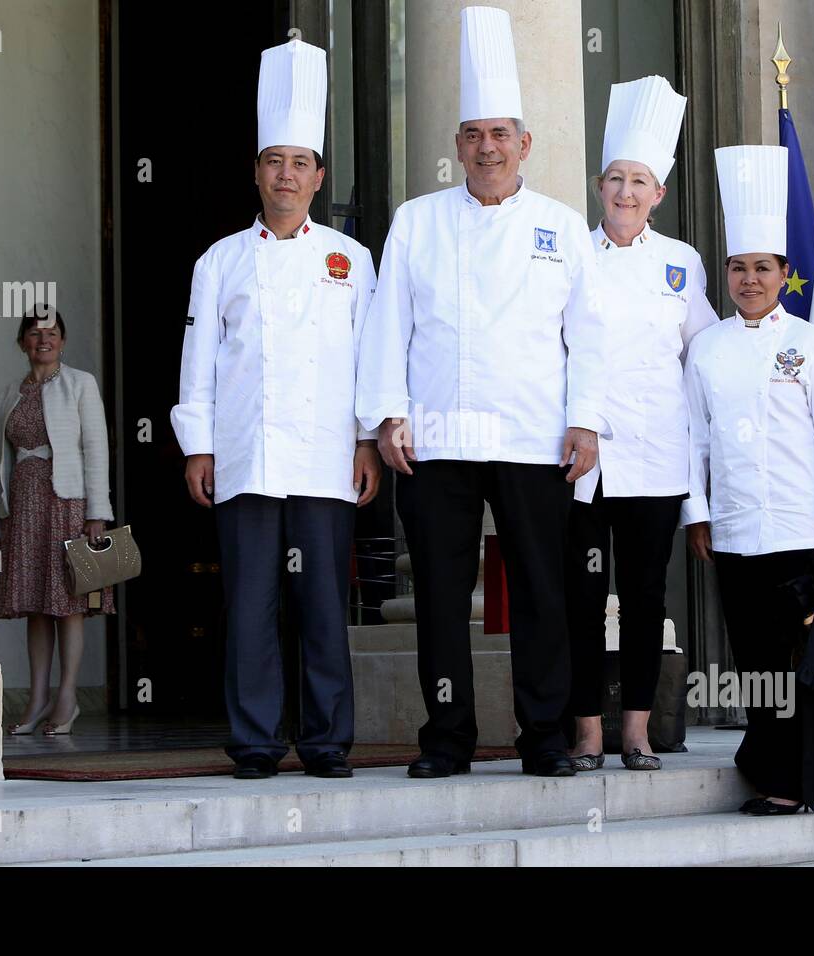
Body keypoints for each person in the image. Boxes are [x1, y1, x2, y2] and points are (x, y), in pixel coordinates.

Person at [356, 6, 608, 778]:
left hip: (534, 438)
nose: (487, 148)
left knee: (541, 594)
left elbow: (587, 337)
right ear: (456, 145)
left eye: (500, 134)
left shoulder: (563, 228)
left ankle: (543, 738)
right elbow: (386, 327)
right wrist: (386, 417)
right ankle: (447, 737)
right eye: (473, 135)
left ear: (524, 144)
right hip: (433, 440)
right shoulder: (417, 221)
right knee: (438, 599)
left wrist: (587, 422)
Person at [171, 38, 380, 780]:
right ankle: (256, 741)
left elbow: (369, 360)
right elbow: (199, 361)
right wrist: (198, 444)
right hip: (245, 453)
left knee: (324, 607)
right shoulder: (220, 260)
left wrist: (366, 441)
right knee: (251, 609)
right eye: (273, 161)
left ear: (319, 176)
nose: (286, 175)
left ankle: (326, 742)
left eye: (300, 162)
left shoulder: (352, 261)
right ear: (256, 172)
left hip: (327, 457)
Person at [683, 144, 814, 813]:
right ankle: (768, 768)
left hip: (801, 528)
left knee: (801, 662)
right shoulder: (706, 348)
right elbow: (694, 439)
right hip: (735, 531)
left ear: (784, 273)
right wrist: (697, 513)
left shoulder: (813, 346)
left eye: (762, 268)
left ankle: (794, 786)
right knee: (755, 661)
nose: (750, 279)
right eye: (739, 268)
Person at [566, 75, 718, 772]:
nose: (626, 193)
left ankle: (636, 729)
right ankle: (587, 730)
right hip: (584, 460)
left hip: (657, 458)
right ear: (600, 185)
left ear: (659, 193)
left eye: (640, 182)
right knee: (583, 594)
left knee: (645, 596)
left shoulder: (681, 264)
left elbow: (705, 355)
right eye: (616, 179)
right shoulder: (570, 255)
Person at [0, 307, 114, 736]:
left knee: (69, 605)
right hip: (23, 508)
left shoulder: (81, 384)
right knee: (34, 607)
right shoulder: (8, 393)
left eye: (53, 333)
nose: (44, 340)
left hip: (68, 504)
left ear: (62, 340)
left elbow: (96, 449)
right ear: (22, 341)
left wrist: (98, 513)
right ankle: (37, 697)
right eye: (35, 333)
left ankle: (67, 696)